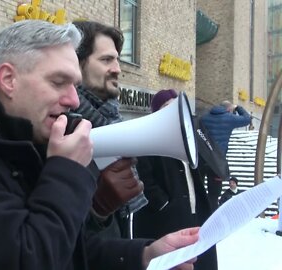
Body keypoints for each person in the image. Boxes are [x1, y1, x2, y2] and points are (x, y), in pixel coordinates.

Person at [0, 20, 199, 270]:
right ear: (8, 79)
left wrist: (144, 256)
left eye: (75, 84)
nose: (74, 100)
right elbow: (30, 259)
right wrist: (66, 171)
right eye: (59, 82)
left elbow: (68, 252)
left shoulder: (24, 143)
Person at [72, 20, 146, 239]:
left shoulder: (112, 119)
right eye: (106, 60)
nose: (117, 69)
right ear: (76, 64)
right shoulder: (61, 127)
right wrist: (98, 210)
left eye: (117, 60)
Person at [133, 89, 218, 270]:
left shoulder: (188, 135)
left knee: (197, 260)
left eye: (175, 105)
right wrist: (163, 204)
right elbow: (143, 176)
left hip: (193, 214)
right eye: (166, 106)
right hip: (164, 220)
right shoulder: (148, 136)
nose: (173, 110)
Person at [201, 100, 251, 209]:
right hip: (217, 163)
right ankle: (211, 218)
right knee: (214, 194)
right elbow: (247, 119)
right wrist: (237, 107)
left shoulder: (204, 117)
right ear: (229, 109)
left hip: (202, 158)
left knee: (198, 190)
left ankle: (198, 217)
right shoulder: (229, 118)